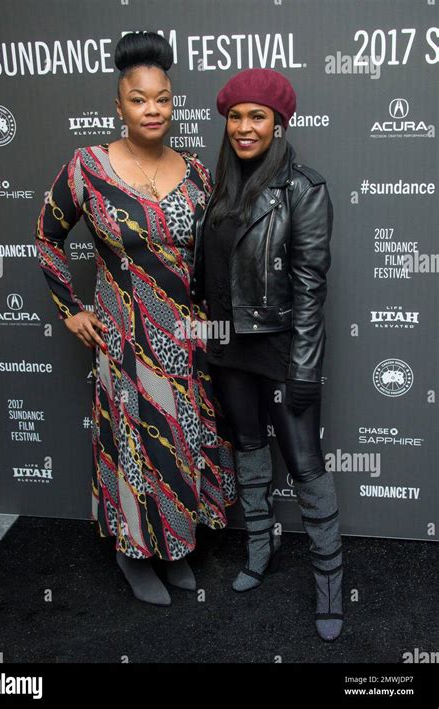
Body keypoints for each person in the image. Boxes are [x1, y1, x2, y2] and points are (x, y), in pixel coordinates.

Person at [34, 31, 236, 607]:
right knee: (131, 445)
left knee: (179, 440)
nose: (153, 110)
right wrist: (70, 308)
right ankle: (132, 555)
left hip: (184, 339)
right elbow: (46, 237)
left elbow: (212, 259)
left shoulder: (198, 173)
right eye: (140, 99)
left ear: (174, 102)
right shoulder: (88, 168)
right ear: (119, 104)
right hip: (122, 338)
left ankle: (175, 548)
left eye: (163, 98)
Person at [191, 68, 343, 641]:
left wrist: (305, 367)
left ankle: (330, 584)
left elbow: (310, 286)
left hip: (282, 353)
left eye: (258, 117)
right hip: (230, 351)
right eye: (236, 116)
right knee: (248, 450)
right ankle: (259, 551)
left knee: (306, 467)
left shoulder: (303, 188)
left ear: (280, 125)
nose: (245, 127)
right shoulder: (218, 189)